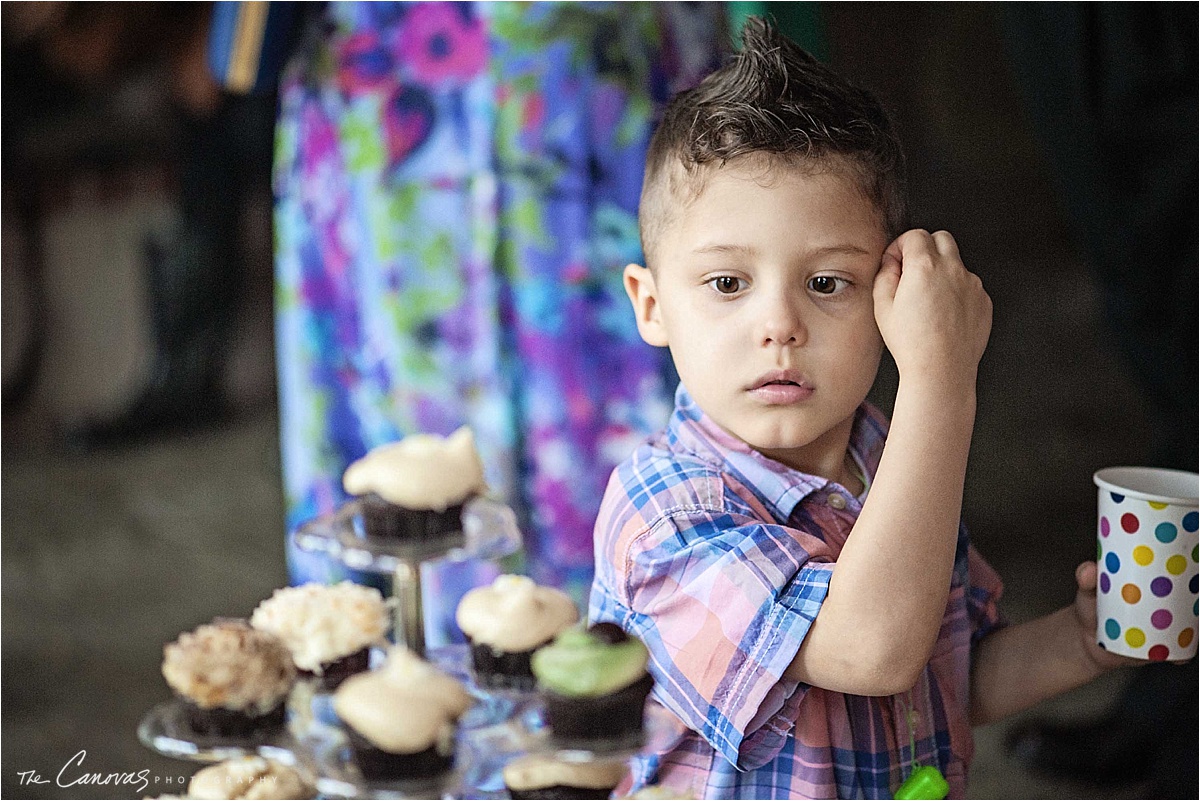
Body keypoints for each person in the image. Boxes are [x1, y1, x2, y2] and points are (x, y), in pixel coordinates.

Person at [588, 17, 1145, 799]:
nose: (779, 324)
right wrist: (941, 380)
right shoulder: (665, 512)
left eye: (827, 282)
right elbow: (871, 648)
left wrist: (1083, 642)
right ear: (652, 306)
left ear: (889, 295)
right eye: (727, 283)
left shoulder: (886, 454)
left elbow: (944, 671)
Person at [274, 3, 726, 613]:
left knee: (635, 372)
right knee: (398, 439)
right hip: (385, 75)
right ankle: (404, 677)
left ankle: (641, 663)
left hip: (585, 68)